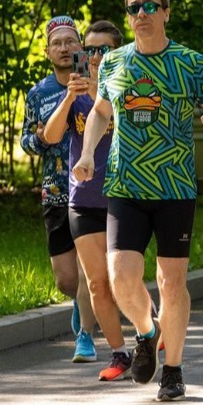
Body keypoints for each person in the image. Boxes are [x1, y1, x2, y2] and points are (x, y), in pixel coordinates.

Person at [73, 0, 203, 401]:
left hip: (174, 187)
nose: (141, 14)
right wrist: (88, 153)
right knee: (121, 278)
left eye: (149, 6)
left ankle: (174, 369)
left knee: (170, 282)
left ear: (166, 12)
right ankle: (147, 331)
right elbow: (100, 113)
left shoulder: (190, 63)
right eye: (134, 8)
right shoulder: (113, 63)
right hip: (125, 184)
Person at [44, 20, 137, 380]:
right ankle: (119, 353)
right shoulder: (77, 93)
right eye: (91, 49)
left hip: (123, 197)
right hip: (82, 199)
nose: (96, 56)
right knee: (96, 283)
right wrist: (69, 96)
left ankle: (150, 330)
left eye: (104, 49)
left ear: (118, 52)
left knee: (121, 279)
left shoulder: (130, 88)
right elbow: (52, 136)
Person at [21, 15, 95, 362]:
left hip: (92, 189)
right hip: (56, 191)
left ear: (81, 46)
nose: (65, 48)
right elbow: (26, 140)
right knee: (66, 280)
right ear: (48, 52)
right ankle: (81, 305)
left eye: (70, 41)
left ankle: (85, 336)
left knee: (87, 270)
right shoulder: (39, 93)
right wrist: (40, 137)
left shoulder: (97, 84)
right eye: (57, 43)